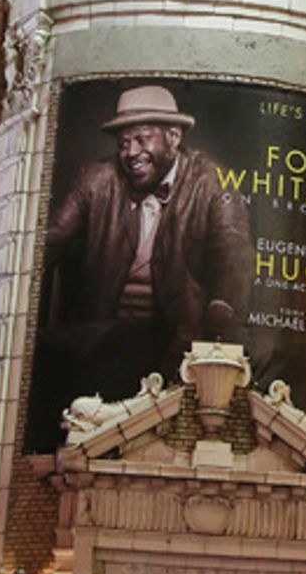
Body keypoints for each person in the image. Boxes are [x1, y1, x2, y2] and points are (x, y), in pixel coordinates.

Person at [37, 84, 254, 420]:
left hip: (179, 337)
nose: (131, 152)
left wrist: (219, 318)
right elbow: (48, 243)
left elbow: (234, 253)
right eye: (124, 143)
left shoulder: (210, 182)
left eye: (141, 139)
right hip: (101, 332)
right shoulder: (96, 180)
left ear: (173, 137)